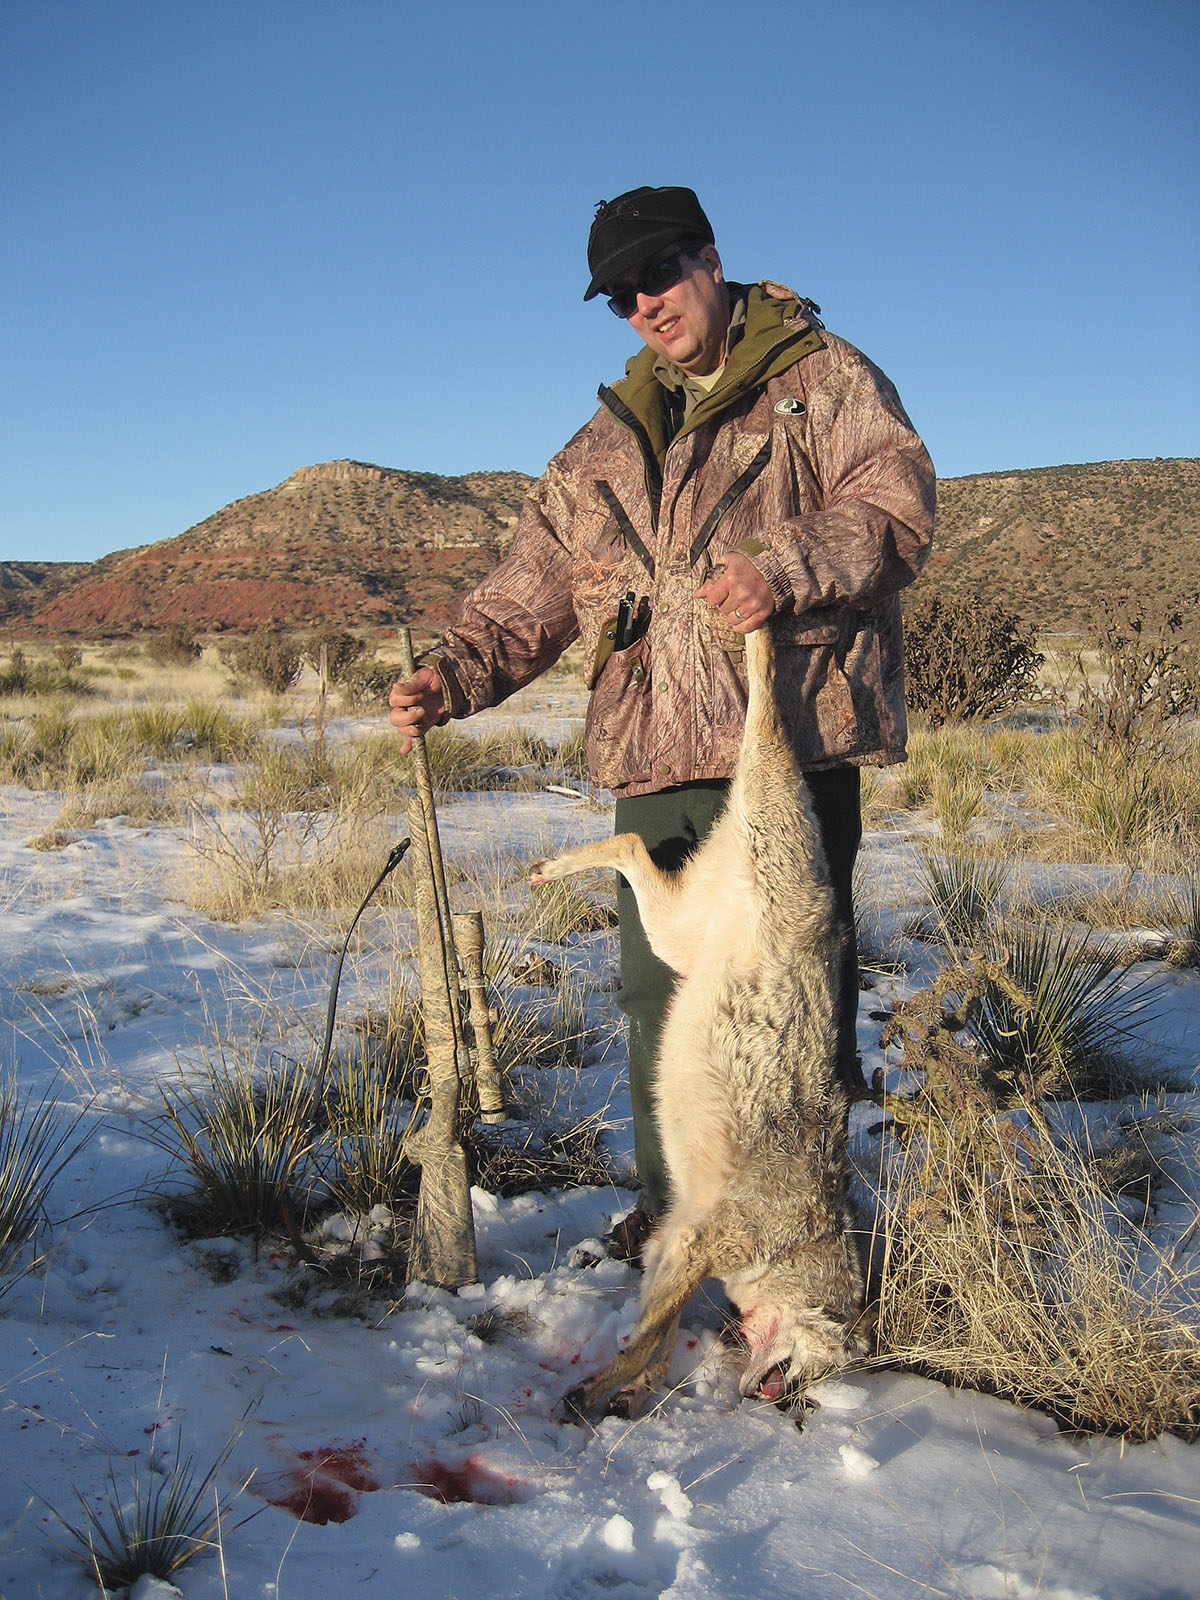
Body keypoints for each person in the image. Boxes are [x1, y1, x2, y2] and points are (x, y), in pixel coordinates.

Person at [390, 185, 935, 1261]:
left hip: (790, 743)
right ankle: (674, 1211)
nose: (645, 303)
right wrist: (451, 676)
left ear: (712, 259)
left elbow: (897, 506)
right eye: (621, 295)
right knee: (662, 1001)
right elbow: (528, 592)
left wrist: (784, 569)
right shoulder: (602, 441)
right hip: (656, 752)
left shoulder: (819, 381)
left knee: (788, 999)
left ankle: (792, 1228)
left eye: (661, 275)